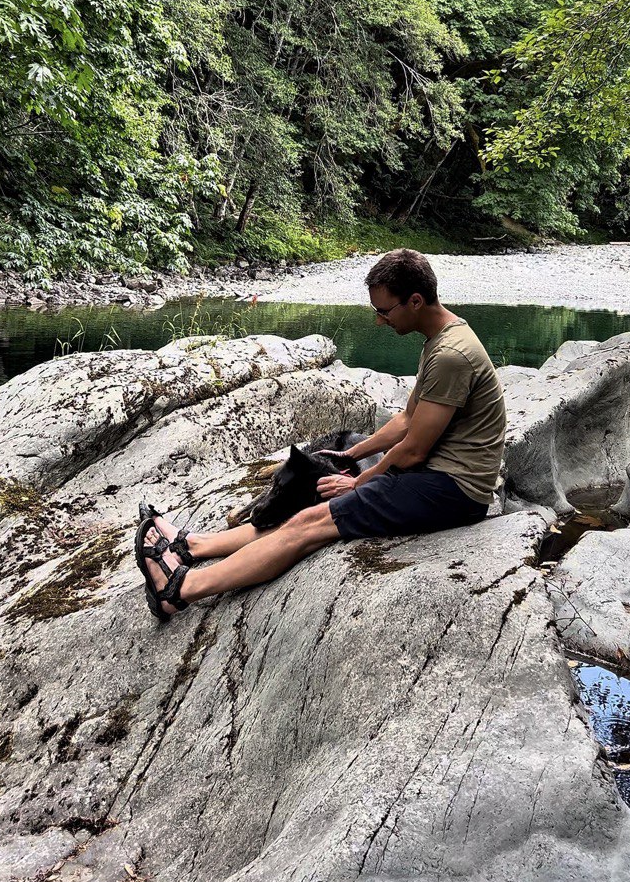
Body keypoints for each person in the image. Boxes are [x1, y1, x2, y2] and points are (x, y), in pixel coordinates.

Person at [135, 248, 507, 620]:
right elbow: (407, 420)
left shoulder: (451, 356)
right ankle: (191, 547)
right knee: (310, 503)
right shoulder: (442, 338)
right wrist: (351, 455)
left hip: (453, 489)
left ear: (415, 300)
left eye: (384, 311)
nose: (379, 321)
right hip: (437, 477)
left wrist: (360, 482)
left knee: (308, 524)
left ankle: (179, 589)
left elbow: (412, 451)